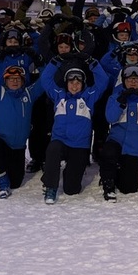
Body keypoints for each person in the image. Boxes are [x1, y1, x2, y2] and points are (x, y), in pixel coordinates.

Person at [41, 57, 109, 204]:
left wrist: (93, 62)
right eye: (71, 82)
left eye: (78, 82)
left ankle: (69, 172)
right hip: (60, 142)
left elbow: (103, 81)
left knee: (72, 190)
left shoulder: (89, 97)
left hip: (79, 146)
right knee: (53, 148)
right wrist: (55, 62)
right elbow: (45, 79)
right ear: (66, 83)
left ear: (83, 84)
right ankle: (50, 186)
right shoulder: (59, 96)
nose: (74, 85)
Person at [0, 64, 46, 197]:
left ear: (23, 81)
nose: (14, 81)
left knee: (15, 183)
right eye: (11, 78)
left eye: (18, 79)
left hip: (17, 147)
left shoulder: (29, 94)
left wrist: (40, 62)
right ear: (5, 81)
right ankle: (2, 181)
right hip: (1, 142)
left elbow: (45, 79)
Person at [99, 65, 138, 200]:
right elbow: (110, 117)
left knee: (129, 189)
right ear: (124, 81)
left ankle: (125, 171)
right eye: (129, 80)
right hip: (116, 140)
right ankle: (108, 183)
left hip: (133, 147)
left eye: (136, 80)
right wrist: (121, 101)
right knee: (109, 152)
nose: (133, 82)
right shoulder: (115, 96)